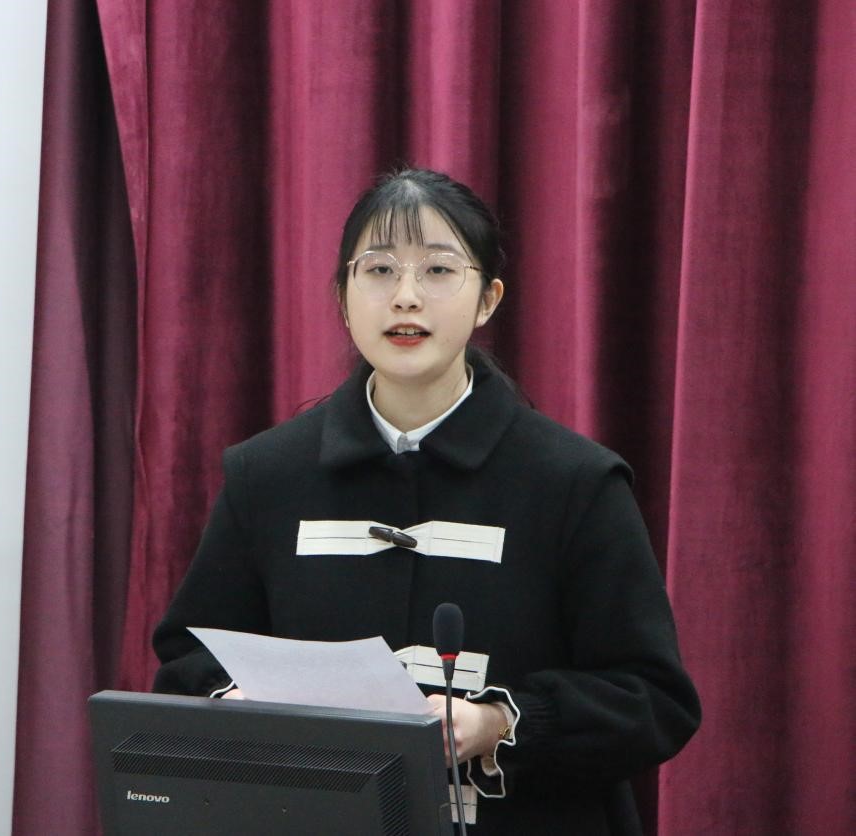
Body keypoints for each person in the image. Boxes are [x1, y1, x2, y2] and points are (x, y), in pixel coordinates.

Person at [151, 168, 701, 834]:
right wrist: (233, 700)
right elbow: (188, 659)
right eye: (379, 270)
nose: (406, 297)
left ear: (488, 299)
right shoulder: (265, 476)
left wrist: (498, 721)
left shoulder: (574, 482)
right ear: (343, 296)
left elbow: (653, 699)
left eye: (439, 271)